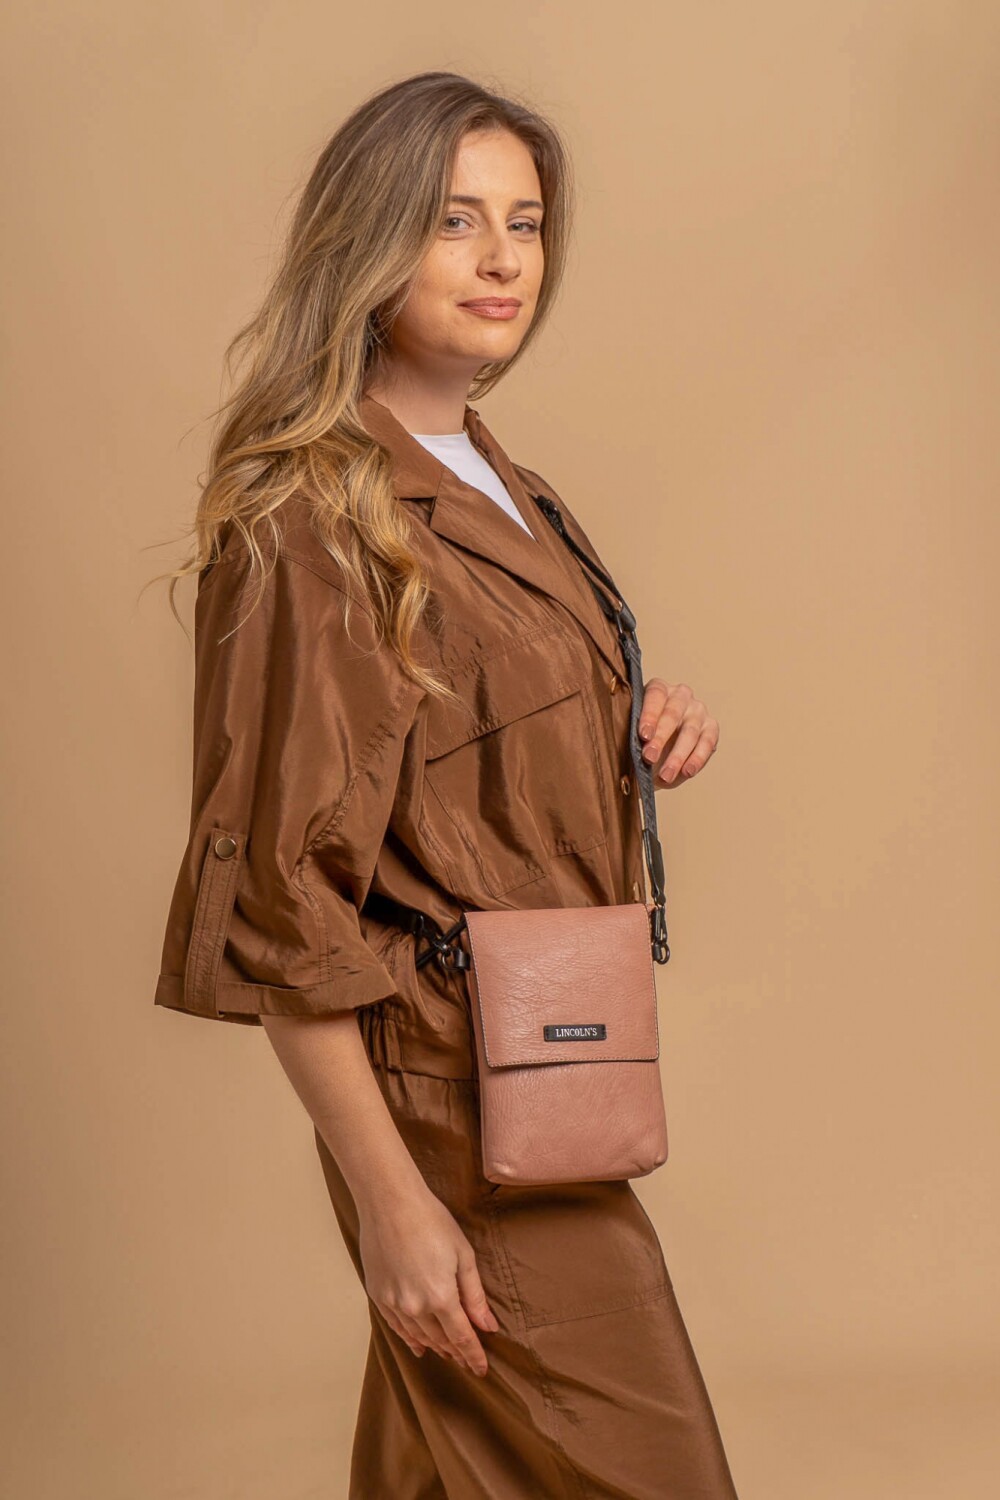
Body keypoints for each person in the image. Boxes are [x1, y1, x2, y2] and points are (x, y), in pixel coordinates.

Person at [152, 70, 736, 1499]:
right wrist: (392, 1203)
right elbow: (287, 899)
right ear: (370, 243)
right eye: (453, 220)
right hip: (453, 1105)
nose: (500, 258)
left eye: (524, 223)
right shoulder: (316, 515)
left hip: (550, 1068)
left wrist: (631, 716)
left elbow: (457, 751)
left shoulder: (504, 484)